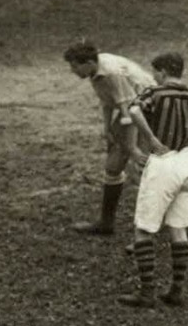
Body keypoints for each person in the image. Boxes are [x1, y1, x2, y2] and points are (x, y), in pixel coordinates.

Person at [118, 53, 188, 308]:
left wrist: (151, 139)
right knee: (178, 228)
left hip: (164, 163)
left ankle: (147, 293)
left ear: (164, 71)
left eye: (156, 71)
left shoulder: (156, 94)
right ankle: (176, 291)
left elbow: (134, 109)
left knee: (143, 229)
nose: (155, 76)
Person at [62, 41, 157, 236]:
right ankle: (107, 223)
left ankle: (157, 222)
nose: (72, 71)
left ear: (88, 62)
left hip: (150, 109)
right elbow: (108, 103)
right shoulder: (97, 71)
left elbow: (130, 110)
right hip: (137, 109)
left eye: (74, 66)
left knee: (139, 164)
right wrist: (107, 130)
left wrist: (130, 147)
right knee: (116, 165)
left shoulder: (111, 73)